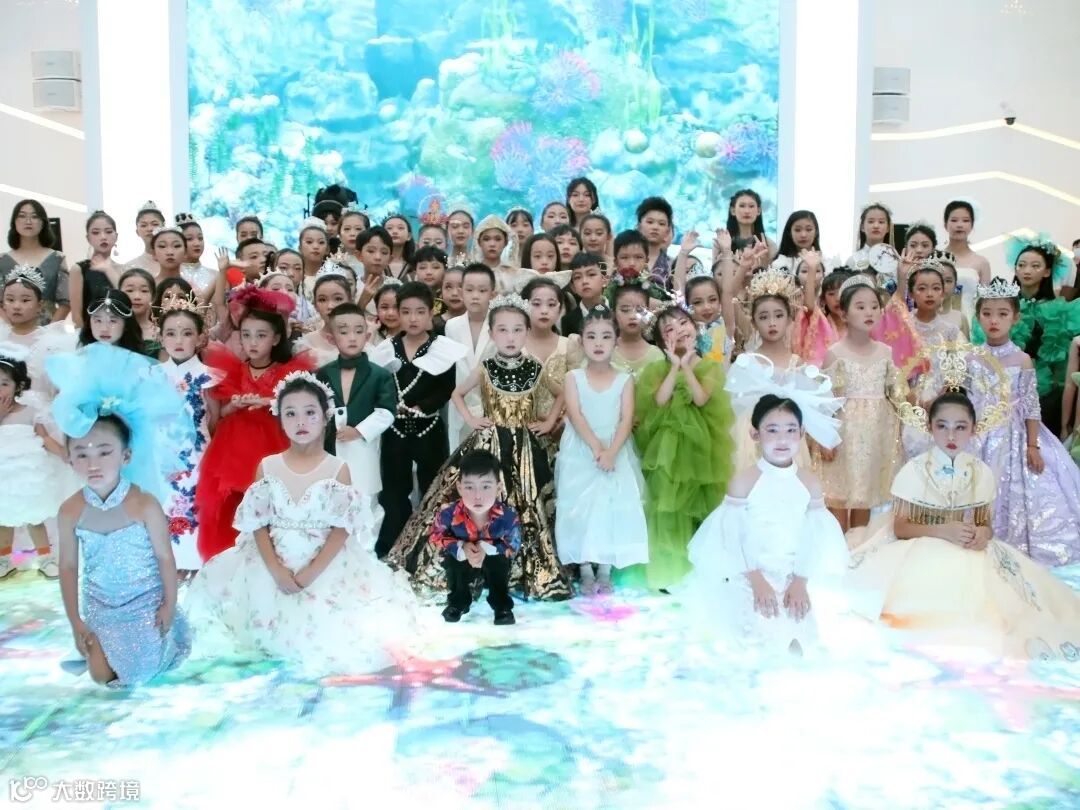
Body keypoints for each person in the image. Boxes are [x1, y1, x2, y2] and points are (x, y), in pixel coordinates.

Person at [187, 374, 420, 676]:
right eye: (290, 413)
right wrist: (275, 569)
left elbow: (341, 529)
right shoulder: (268, 466)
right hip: (272, 562)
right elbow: (258, 523)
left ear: (325, 417)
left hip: (322, 564)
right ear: (280, 419)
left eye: (310, 412)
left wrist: (311, 572)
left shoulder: (337, 469)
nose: (301, 421)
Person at [846, 391, 1080, 660]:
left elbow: (985, 525)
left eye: (960, 427)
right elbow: (901, 528)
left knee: (1014, 605)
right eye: (942, 426)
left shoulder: (980, 471)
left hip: (965, 544)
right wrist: (943, 531)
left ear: (973, 429)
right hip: (920, 544)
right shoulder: (914, 469)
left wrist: (982, 534)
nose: (951, 436)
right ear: (930, 427)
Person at [386, 294, 569, 600]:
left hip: (525, 448)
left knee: (528, 503)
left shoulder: (535, 366)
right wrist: (472, 419)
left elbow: (562, 393)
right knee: (473, 496)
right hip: (489, 444)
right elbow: (457, 393)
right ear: (492, 333)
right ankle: (471, 563)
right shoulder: (485, 366)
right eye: (503, 330)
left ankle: (516, 568)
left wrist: (549, 421)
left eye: (517, 330)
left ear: (526, 332)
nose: (510, 337)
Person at [682, 395, 848, 656]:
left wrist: (800, 581)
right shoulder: (744, 482)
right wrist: (756, 580)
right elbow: (734, 536)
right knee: (756, 645)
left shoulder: (809, 483)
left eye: (790, 430)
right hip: (751, 574)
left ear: (802, 433)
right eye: (772, 430)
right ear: (755, 434)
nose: (782, 439)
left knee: (800, 646)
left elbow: (814, 536)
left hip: (793, 576)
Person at [57, 413, 191, 687]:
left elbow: (165, 557)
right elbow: (68, 566)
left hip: (144, 601)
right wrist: (75, 621)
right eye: (81, 455)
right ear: (70, 459)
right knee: (101, 677)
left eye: (104, 452)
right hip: (100, 603)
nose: (93, 464)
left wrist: (169, 605)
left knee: (140, 674)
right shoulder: (70, 510)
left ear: (125, 456)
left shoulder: (144, 504)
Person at [964, 280, 1080, 566]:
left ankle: (1014, 545)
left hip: (1013, 435)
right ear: (978, 317)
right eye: (987, 313)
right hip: (976, 436)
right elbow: (963, 401)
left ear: (1015, 318)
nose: (994, 320)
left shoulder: (1022, 359)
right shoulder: (970, 357)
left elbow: (1030, 406)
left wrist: (1032, 445)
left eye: (1002, 314)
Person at [195, 287, 314, 561]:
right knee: (233, 505)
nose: (253, 342)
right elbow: (219, 416)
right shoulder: (232, 371)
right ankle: (235, 562)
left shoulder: (288, 373)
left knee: (273, 505)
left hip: (271, 447)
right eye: (246, 335)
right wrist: (233, 406)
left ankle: (272, 560)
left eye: (261, 335)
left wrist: (269, 403)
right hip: (232, 451)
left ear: (276, 338)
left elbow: (299, 413)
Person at [626, 304, 735, 590]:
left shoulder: (710, 366)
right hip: (667, 453)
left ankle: (704, 570)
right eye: (669, 329)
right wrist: (675, 366)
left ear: (695, 327)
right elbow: (659, 401)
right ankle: (672, 570)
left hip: (702, 451)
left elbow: (700, 399)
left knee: (703, 505)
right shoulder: (656, 370)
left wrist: (687, 365)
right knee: (669, 506)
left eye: (683, 323)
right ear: (662, 341)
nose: (679, 331)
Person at [555, 306, 648, 595]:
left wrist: (611, 452)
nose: (598, 343)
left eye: (606, 336)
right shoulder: (573, 377)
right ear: (582, 341)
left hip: (615, 449)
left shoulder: (624, 379)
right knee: (580, 508)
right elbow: (575, 414)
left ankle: (605, 570)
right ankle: (584, 569)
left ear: (616, 341)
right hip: (581, 450)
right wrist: (597, 448)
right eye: (591, 336)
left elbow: (626, 419)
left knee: (609, 507)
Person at [375, 282, 465, 555]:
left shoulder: (443, 347)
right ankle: (393, 546)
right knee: (393, 490)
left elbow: (447, 387)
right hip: (395, 431)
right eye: (406, 312)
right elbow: (380, 385)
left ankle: (432, 547)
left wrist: (425, 406)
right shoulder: (386, 348)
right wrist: (393, 406)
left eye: (419, 311)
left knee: (433, 488)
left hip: (429, 428)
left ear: (430, 313)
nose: (412, 318)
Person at [819, 276, 903, 533]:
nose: (869, 312)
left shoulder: (886, 352)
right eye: (860, 306)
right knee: (839, 496)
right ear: (844, 314)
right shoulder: (835, 354)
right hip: (844, 436)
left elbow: (896, 394)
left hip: (875, 435)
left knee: (864, 495)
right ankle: (838, 546)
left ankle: (859, 547)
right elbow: (825, 402)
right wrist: (825, 438)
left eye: (875, 306)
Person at [316, 303, 397, 539]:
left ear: (367, 336)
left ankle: (366, 554)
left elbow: (386, 412)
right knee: (332, 504)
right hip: (330, 451)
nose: (352, 337)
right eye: (343, 331)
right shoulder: (323, 373)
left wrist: (359, 431)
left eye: (358, 331)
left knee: (367, 506)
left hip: (363, 451)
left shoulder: (379, 374)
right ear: (331, 338)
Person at [158, 296, 219, 577]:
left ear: (200, 338)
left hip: (198, 454)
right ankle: (171, 563)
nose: (178, 340)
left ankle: (197, 562)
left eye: (186, 333)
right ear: (160, 338)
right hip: (162, 454)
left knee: (195, 504)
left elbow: (215, 419)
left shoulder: (210, 376)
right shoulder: (152, 374)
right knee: (166, 505)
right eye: (171, 333)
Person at [0, 342, 68, 579]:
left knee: (34, 519)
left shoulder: (29, 411)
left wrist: (64, 453)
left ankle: (46, 557)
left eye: (4, 383)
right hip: (3, 477)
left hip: (27, 476)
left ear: (18, 386)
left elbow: (44, 438)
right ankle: (4, 560)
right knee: (4, 521)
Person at [431, 449, 522, 625]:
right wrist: (460, 548)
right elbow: (436, 535)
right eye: (469, 487)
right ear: (459, 488)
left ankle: (501, 606)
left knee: (500, 565)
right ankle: (458, 602)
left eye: (486, 486)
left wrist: (487, 549)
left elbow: (514, 543)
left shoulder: (507, 516)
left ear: (498, 487)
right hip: (463, 555)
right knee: (454, 564)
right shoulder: (448, 513)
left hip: (492, 554)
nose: (477, 496)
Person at [444, 264, 495, 448]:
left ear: (492, 294)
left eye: (482, 290)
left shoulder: (500, 325)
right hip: (460, 407)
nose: (475, 296)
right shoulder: (452, 326)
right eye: (469, 290)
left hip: (491, 409)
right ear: (461, 292)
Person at [1, 199, 69, 324]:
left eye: (34, 216)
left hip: (48, 329)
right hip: (10, 330)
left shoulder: (57, 258)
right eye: (22, 216)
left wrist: (49, 331)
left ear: (43, 223)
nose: (28, 221)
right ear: (14, 222)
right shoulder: (2, 261)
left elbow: (66, 302)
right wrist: (10, 330)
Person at [70, 211, 123, 328]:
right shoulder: (79, 269)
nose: (103, 237)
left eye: (108, 231)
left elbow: (127, 302)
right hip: (89, 334)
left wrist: (109, 271)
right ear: (88, 238)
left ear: (116, 236)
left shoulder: (123, 269)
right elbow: (76, 316)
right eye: (95, 233)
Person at [175, 213, 218, 302]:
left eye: (200, 238)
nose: (197, 243)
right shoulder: (173, 275)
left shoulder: (215, 275)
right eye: (189, 239)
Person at [635, 197, 674, 288]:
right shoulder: (625, 259)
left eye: (661, 224)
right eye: (650, 222)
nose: (655, 227)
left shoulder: (672, 265)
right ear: (639, 226)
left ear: (667, 231)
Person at [122, 200, 165, 277]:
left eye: (155, 224)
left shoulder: (179, 264)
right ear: (137, 232)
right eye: (144, 225)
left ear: (164, 228)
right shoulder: (130, 268)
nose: (150, 229)